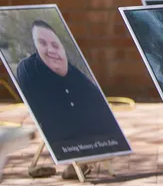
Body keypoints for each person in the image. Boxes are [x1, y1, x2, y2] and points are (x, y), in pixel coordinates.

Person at [16, 20, 125, 149]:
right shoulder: (28, 69)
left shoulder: (80, 79)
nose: (51, 50)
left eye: (55, 45)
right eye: (42, 43)